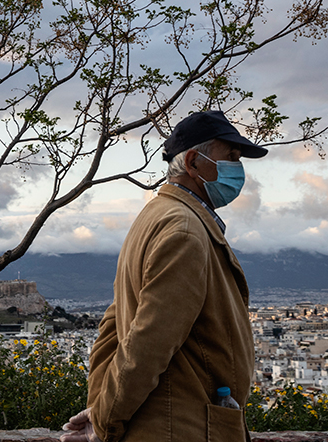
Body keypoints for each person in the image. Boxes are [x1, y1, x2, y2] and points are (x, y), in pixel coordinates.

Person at [61, 110, 267, 442]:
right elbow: (147, 344)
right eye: (229, 157)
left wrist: (100, 410)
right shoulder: (184, 231)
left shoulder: (155, 217)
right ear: (193, 163)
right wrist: (104, 423)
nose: (237, 168)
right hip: (181, 429)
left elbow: (113, 328)